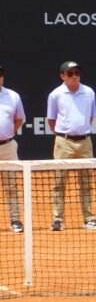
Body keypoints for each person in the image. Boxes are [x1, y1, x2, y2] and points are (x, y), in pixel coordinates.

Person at [48, 60, 96, 232]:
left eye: (77, 73)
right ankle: (58, 219)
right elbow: (51, 120)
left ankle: (88, 218)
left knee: (86, 182)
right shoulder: (55, 95)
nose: (74, 77)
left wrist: (81, 131)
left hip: (85, 142)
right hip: (64, 143)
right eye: (70, 73)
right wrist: (66, 134)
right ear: (62, 76)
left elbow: (91, 117)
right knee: (59, 182)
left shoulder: (89, 92)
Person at [0, 65, 25, 233]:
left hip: (7, 147)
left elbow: (19, 119)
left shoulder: (13, 96)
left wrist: (8, 133)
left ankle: (15, 219)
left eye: (0, 75)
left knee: (11, 186)